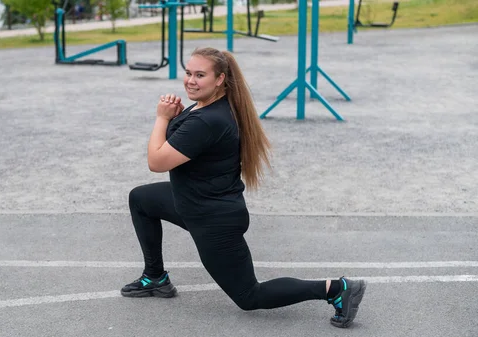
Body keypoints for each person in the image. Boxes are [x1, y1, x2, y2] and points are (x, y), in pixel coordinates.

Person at [121, 47, 367, 328]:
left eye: (200, 75)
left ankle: (337, 289)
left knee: (249, 296)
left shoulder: (208, 120)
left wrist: (163, 117)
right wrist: (175, 117)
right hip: (191, 202)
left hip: (213, 219)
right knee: (141, 198)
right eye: (188, 72)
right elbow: (177, 145)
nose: (190, 80)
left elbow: (156, 161)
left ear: (220, 79)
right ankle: (155, 278)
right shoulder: (205, 106)